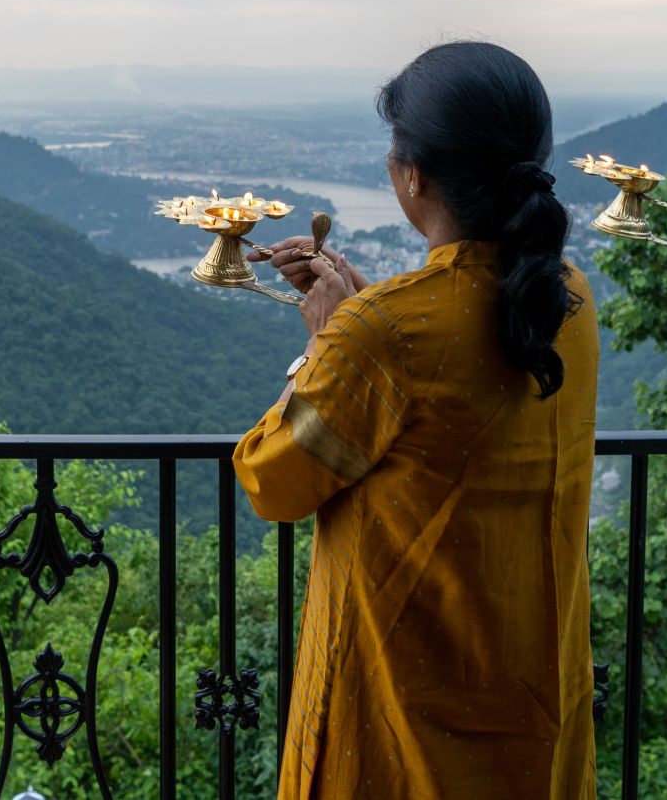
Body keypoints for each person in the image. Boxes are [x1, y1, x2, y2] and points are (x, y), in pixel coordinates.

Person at [231, 41, 601, 800]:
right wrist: (360, 313)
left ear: (414, 174)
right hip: (532, 696)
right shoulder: (568, 296)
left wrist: (331, 342)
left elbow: (271, 480)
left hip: (406, 717)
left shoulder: (383, 335)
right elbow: (450, 382)